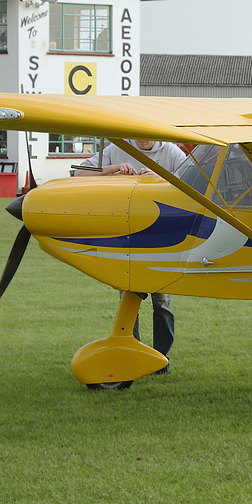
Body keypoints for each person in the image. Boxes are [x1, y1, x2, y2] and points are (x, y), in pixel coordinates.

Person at [75, 139, 187, 373]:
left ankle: (161, 359)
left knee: (162, 301)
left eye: (146, 136)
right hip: (127, 236)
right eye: (137, 135)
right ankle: (131, 356)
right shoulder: (117, 149)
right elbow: (80, 173)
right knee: (128, 300)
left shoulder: (171, 152)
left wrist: (159, 177)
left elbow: (195, 184)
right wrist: (115, 169)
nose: (141, 140)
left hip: (160, 238)